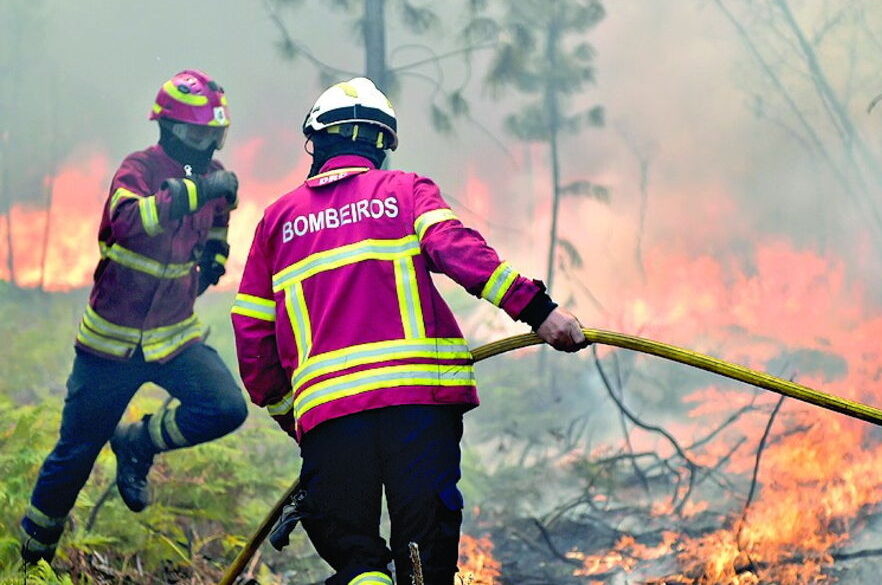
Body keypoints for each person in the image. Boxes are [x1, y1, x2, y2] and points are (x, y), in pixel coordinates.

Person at [231, 77, 587, 585]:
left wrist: (293, 415)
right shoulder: (405, 191)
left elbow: (251, 333)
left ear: (319, 140)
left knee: (356, 558)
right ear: (381, 144)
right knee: (425, 557)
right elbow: (459, 252)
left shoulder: (277, 222)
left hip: (331, 418)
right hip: (419, 409)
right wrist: (539, 311)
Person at [20, 69, 248, 565]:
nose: (207, 143)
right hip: (110, 347)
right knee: (73, 457)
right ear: (168, 129)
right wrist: (198, 191)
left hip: (174, 339)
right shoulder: (139, 168)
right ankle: (30, 562)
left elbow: (221, 216)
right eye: (198, 133)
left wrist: (215, 254)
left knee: (226, 407)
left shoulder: (213, 177)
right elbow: (126, 222)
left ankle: (136, 443)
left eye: (215, 134)